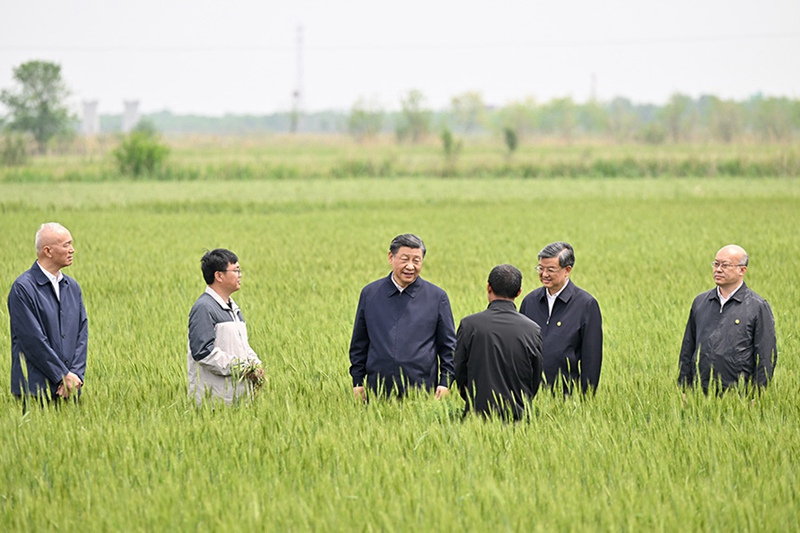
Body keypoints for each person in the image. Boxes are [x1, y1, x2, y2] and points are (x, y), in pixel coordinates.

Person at [349, 234, 456, 400]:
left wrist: (445, 382)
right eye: (405, 259)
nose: (410, 266)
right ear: (391, 257)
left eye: (416, 260)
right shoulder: (370, 294)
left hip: (422, 392)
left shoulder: (437, 297)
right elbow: (359, 342)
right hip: (377, 391)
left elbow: (448, 346)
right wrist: (357, 381)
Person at [678, 244, 777, 395]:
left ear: (742, 270)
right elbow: (688, 347)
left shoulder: (757, 307)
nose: (718, 269)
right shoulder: (701, 302)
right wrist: (684, 389)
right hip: (700, 393)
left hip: (738, 395)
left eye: (725, 265)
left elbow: (766, 356)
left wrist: (757, 396)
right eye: (716, 264)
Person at [8, 223, 88, 407]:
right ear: (48, 251)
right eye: (66, 245)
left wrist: (74, 376)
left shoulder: (72, 287)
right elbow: (32, 340)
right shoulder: (23, 288)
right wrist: (61, 375)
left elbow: (81, 334)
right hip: (34, 391)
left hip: (70, 389)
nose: (72, 250)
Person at [454, 264, 543, 421]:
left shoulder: (469, 325)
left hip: (476, 417)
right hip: (519, 419)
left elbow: (460, 371)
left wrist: (473, 398)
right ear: (519, 292)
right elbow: (534, 377)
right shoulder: (532, 329)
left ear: (488, 287)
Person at [519, 242, 603, 395]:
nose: (544, 274)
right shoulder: (529, 301)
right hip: (529, 394)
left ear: (567, 270)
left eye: (550, 269)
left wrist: (586, 399)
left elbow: (591, 358)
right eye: (540, 268)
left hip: (566, 396)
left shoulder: (586, 305)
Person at [187, 248, 263, 406]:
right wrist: (244, 368)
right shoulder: (204, 308)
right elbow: (203, 353)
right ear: (219, 275)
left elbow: (243, 347)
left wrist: (255, 365)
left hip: (238, 401)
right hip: (214, 403)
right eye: (236, 270)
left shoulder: (233, 308)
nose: (240, 274)